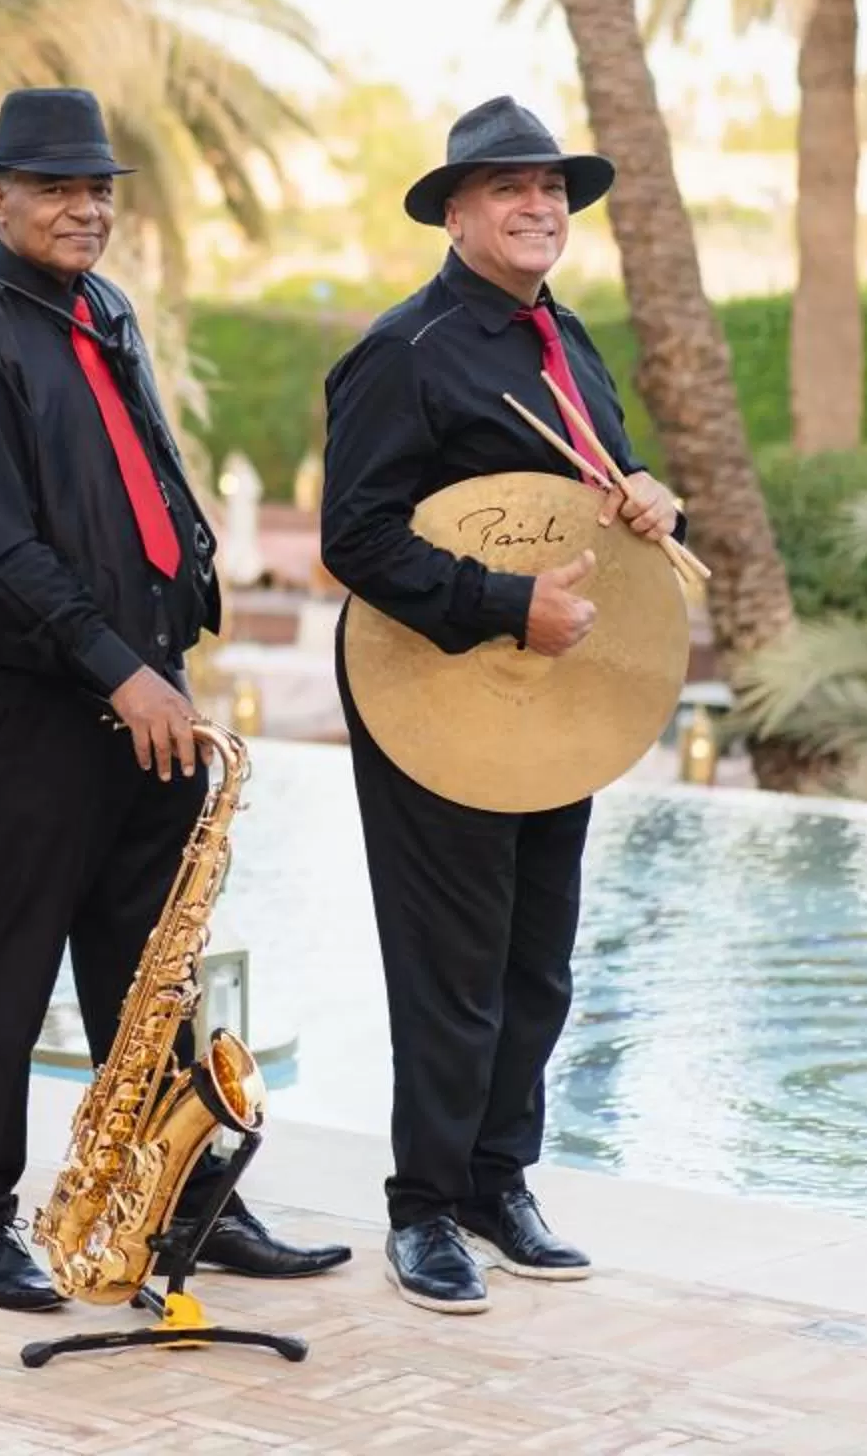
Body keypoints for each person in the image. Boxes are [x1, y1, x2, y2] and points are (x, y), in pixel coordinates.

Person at [0, 87, 352, 1312]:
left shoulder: (103, 308)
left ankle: (186, 1204)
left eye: (97, 188)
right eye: (55, 187)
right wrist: (118, 666)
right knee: (4, 966)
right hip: (43, 708)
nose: (83, 208)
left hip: (149, 693)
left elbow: (144, 467)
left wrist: (186, 607)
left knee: (155, 969)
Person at [318, 95, 683, 1316]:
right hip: (436, 684)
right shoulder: (405, 350)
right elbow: (356, 535)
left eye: (554, 189)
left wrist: (647, 491)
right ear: (458, 213)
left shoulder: (564, 335)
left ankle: (495, 1181)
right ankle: (422, 1207)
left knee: (537, 959)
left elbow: (599, 478)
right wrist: (504, 601)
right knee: (451, 962)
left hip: (553, 691)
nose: (540, 206)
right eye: (511, 188)